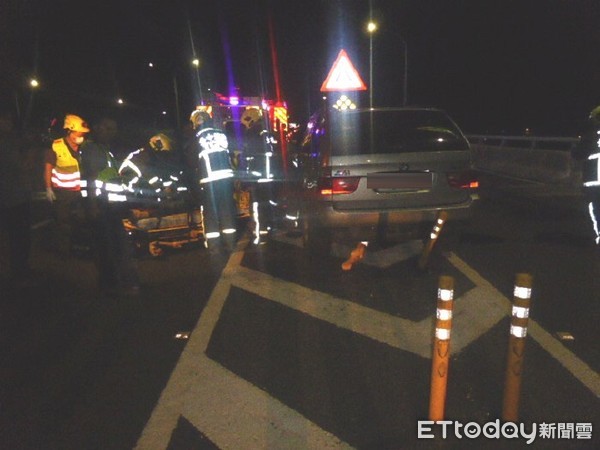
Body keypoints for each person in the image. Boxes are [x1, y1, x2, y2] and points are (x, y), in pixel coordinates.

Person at [80, 117, 140, 296]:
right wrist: (92, 206)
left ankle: (114, 283)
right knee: (109, 246)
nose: (112, 133)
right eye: (108, 128)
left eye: (114, 129)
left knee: (114, 245)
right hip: (102, 205)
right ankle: (111, 285)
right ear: (97, 128)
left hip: (110, 205)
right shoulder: (93, 150)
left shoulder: (104, 150)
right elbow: (90, 178)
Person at [188, 109, 237, 250]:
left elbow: (192, 161)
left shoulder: (197, 138)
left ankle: (214, 245)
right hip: (226, 179)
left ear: (196, 122)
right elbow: (231, 153)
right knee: (226, 209)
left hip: (209, 181)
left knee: (210, 213)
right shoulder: (221, 134)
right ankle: (230, 242)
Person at [43, 114, 90, 254]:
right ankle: (62, 252)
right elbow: (48, 168)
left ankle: (75, 247)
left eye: (83, 133)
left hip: (80, 191)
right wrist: (48, 188)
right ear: (69, 131)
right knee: (63, 223)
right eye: (78, 132)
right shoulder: (56, 146)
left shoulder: (86, 148)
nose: (81, 135)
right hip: (62, 192)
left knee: (80, 220)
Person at [0, 109, 34, 284]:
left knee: (16, 236)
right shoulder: (6, 145)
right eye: (6, 119)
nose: (10, 123)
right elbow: (22, 166)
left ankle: (18, 268)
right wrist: (27, 153)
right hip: (13, 198)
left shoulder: (10, 142)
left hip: (13, 196)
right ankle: (18, 270)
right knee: (18, 236)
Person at [573, 105, 600, 246]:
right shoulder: (590, 136)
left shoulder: (590, 135)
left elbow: (577, 154)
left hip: (593, 182)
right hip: (593, 182)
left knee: (596, 208)